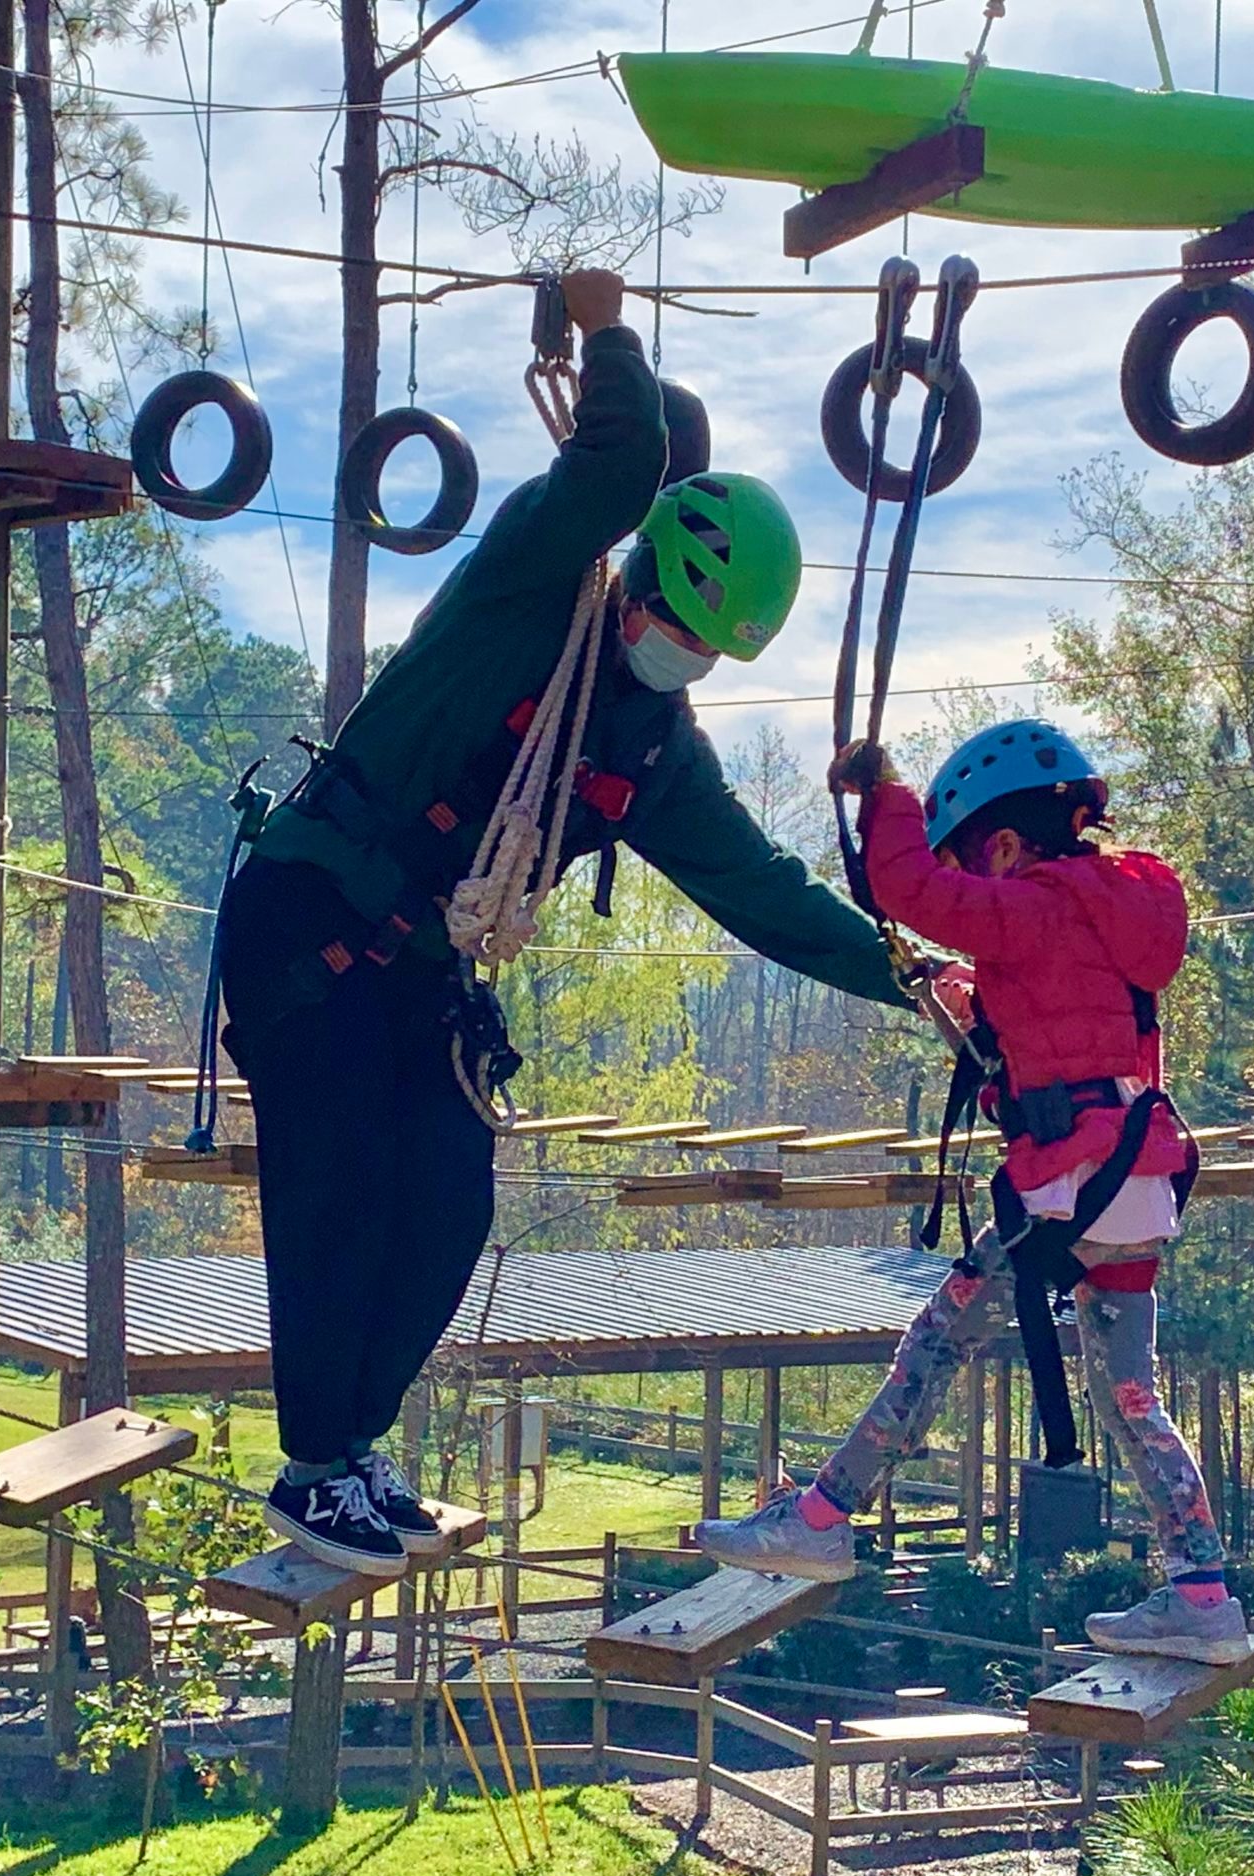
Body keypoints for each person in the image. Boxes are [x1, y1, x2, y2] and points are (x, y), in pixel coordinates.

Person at [218, 268, 910, 1576]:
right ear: (639, 573)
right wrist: (606, 325)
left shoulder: (652, 751)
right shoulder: (535, 587)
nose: (674, 653)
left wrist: (919, 976)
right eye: (670, 624)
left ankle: (354, 1448)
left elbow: (770, 898)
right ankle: (316, 1466)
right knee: (346, 1177)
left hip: (411, 969)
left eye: (704, 650)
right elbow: (619, 453)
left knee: (447, 1199)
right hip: (310, 919)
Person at [695, 722, 1249, 1666]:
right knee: (1129, 1396)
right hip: (1137, 1179)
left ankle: (824, 1515)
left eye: (973, 869)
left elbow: (903, 888)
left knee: (938, 1339)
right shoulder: (1112, 910)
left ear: (999, 845)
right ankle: (1202, 1592)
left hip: (1069, 1183)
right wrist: (957, 990)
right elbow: (1050, 1011)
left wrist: (886, 791)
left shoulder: (1033, 902)